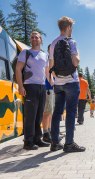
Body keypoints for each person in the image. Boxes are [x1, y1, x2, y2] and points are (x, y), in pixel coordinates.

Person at [49, 16, 85, 152]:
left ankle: (54, 143)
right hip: (71, 82)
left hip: (58, 83)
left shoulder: (53, 43)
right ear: (69, 27)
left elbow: (51, 65)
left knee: (57, 112)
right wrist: (78, 55)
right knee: (70, 112)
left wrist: (56, 78)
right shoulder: (71, 41)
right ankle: (69, 144)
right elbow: (75, 62)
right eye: (72, 27)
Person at [16, 31, 50, 150]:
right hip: (30, 86)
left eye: (37, 37)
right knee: (30, 115)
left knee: (39, 114)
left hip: (42, 87)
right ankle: (28, 141)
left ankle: (37, 139)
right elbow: (18, 69)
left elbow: (46, 73)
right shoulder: (25, 53)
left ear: (41, 40)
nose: (34, 38)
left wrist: (52, 84)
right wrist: (21, 86)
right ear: (31, 40)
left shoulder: (44, 55)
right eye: (32, 37)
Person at [42, 45, 54, 143]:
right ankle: (45, 133)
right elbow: (48, 73)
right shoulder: (47, 58)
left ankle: (49, 131)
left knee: (50, 111)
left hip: (51, 88)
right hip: (48, 88)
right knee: (46, 112)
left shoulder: (51, 59)